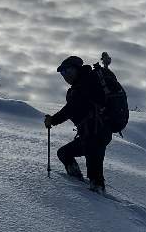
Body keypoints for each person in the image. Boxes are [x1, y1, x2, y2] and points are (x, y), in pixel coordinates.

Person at [44, 55, 113, 193]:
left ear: (77, 69)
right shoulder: (82, 85)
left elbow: (70, 109)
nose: (66, 76)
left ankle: (99, 201)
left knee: (95, 177)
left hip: (97, 133)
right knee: (64, 153)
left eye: (68, 71)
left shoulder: (86, 83)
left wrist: (53, 120)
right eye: (63, 73)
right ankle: (78, 180)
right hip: (91, 134)